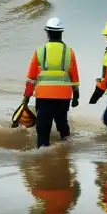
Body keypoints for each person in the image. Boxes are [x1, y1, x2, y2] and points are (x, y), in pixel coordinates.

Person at [23, 17, 80, 148]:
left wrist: (26, 98)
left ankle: (43, 154)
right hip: (64, 96)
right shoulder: (69, 52)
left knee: (43, 128)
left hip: (44, 96)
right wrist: (76, 96)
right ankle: (66, 152)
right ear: (61, 32)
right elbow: (74, 77)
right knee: (62, 124)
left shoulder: (39, 51)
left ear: (47, 32)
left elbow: (31, 79)